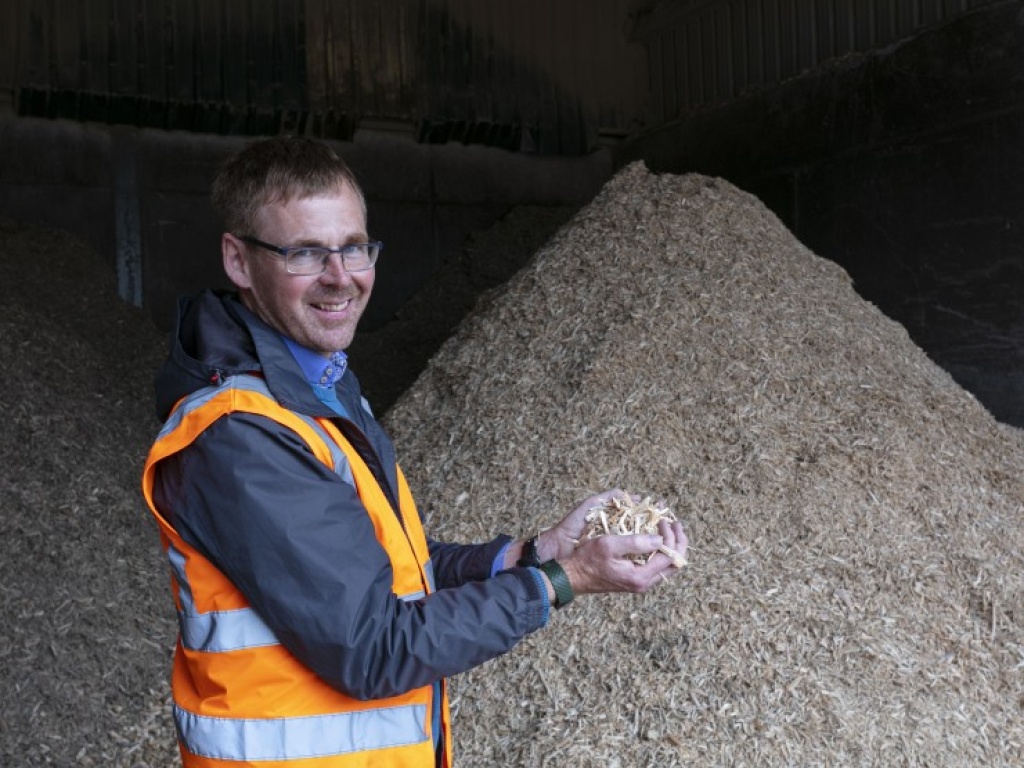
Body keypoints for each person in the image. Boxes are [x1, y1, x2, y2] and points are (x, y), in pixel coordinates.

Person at [141, 136, 687, 768]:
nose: (340, 277)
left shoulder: (315, 388)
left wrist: (531, 553)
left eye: (353, 247)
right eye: (305, 253)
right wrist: (567, 580)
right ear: (238, 261)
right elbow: (372, 645)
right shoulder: (239, 434)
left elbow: (374, 571)